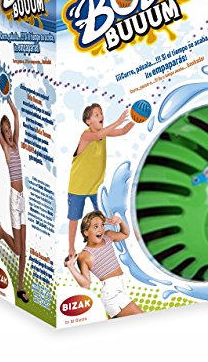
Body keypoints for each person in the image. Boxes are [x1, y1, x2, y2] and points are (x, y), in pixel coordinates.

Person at [66, 104, 134, 263]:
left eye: (101, 113)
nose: (101, 116)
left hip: (96, 187)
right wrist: (118, 121)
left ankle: (104, 247)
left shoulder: (103, 134)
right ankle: (71, 248)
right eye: (96, 115)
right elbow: (98, 135)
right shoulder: (86, 136)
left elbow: (123, 131)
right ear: (88, 121)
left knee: (104, 217)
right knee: (74, 218)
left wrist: (137, 119)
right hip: (78, 187)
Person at [66, 210, 143, 319]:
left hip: (121, 288)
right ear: (86, 232)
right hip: (112, 294)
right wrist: (71, 267)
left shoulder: (108, 236)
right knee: (143, 318)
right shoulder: (84, 255)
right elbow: (85, 284)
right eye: (95, 226)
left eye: (102, 225)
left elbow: (125, 234)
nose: (100, 229)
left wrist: (120, 222)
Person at [0, 88, 29, 303]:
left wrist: (9, 97)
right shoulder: (7, 149)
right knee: (17, 250)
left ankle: (20, 287)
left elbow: (16, 116)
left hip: (23, 200)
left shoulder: (16, 145)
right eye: (6, 131)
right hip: (14, 199)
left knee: (24, 249)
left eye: (9, 129)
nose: (8, 132)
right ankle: (2, 233)